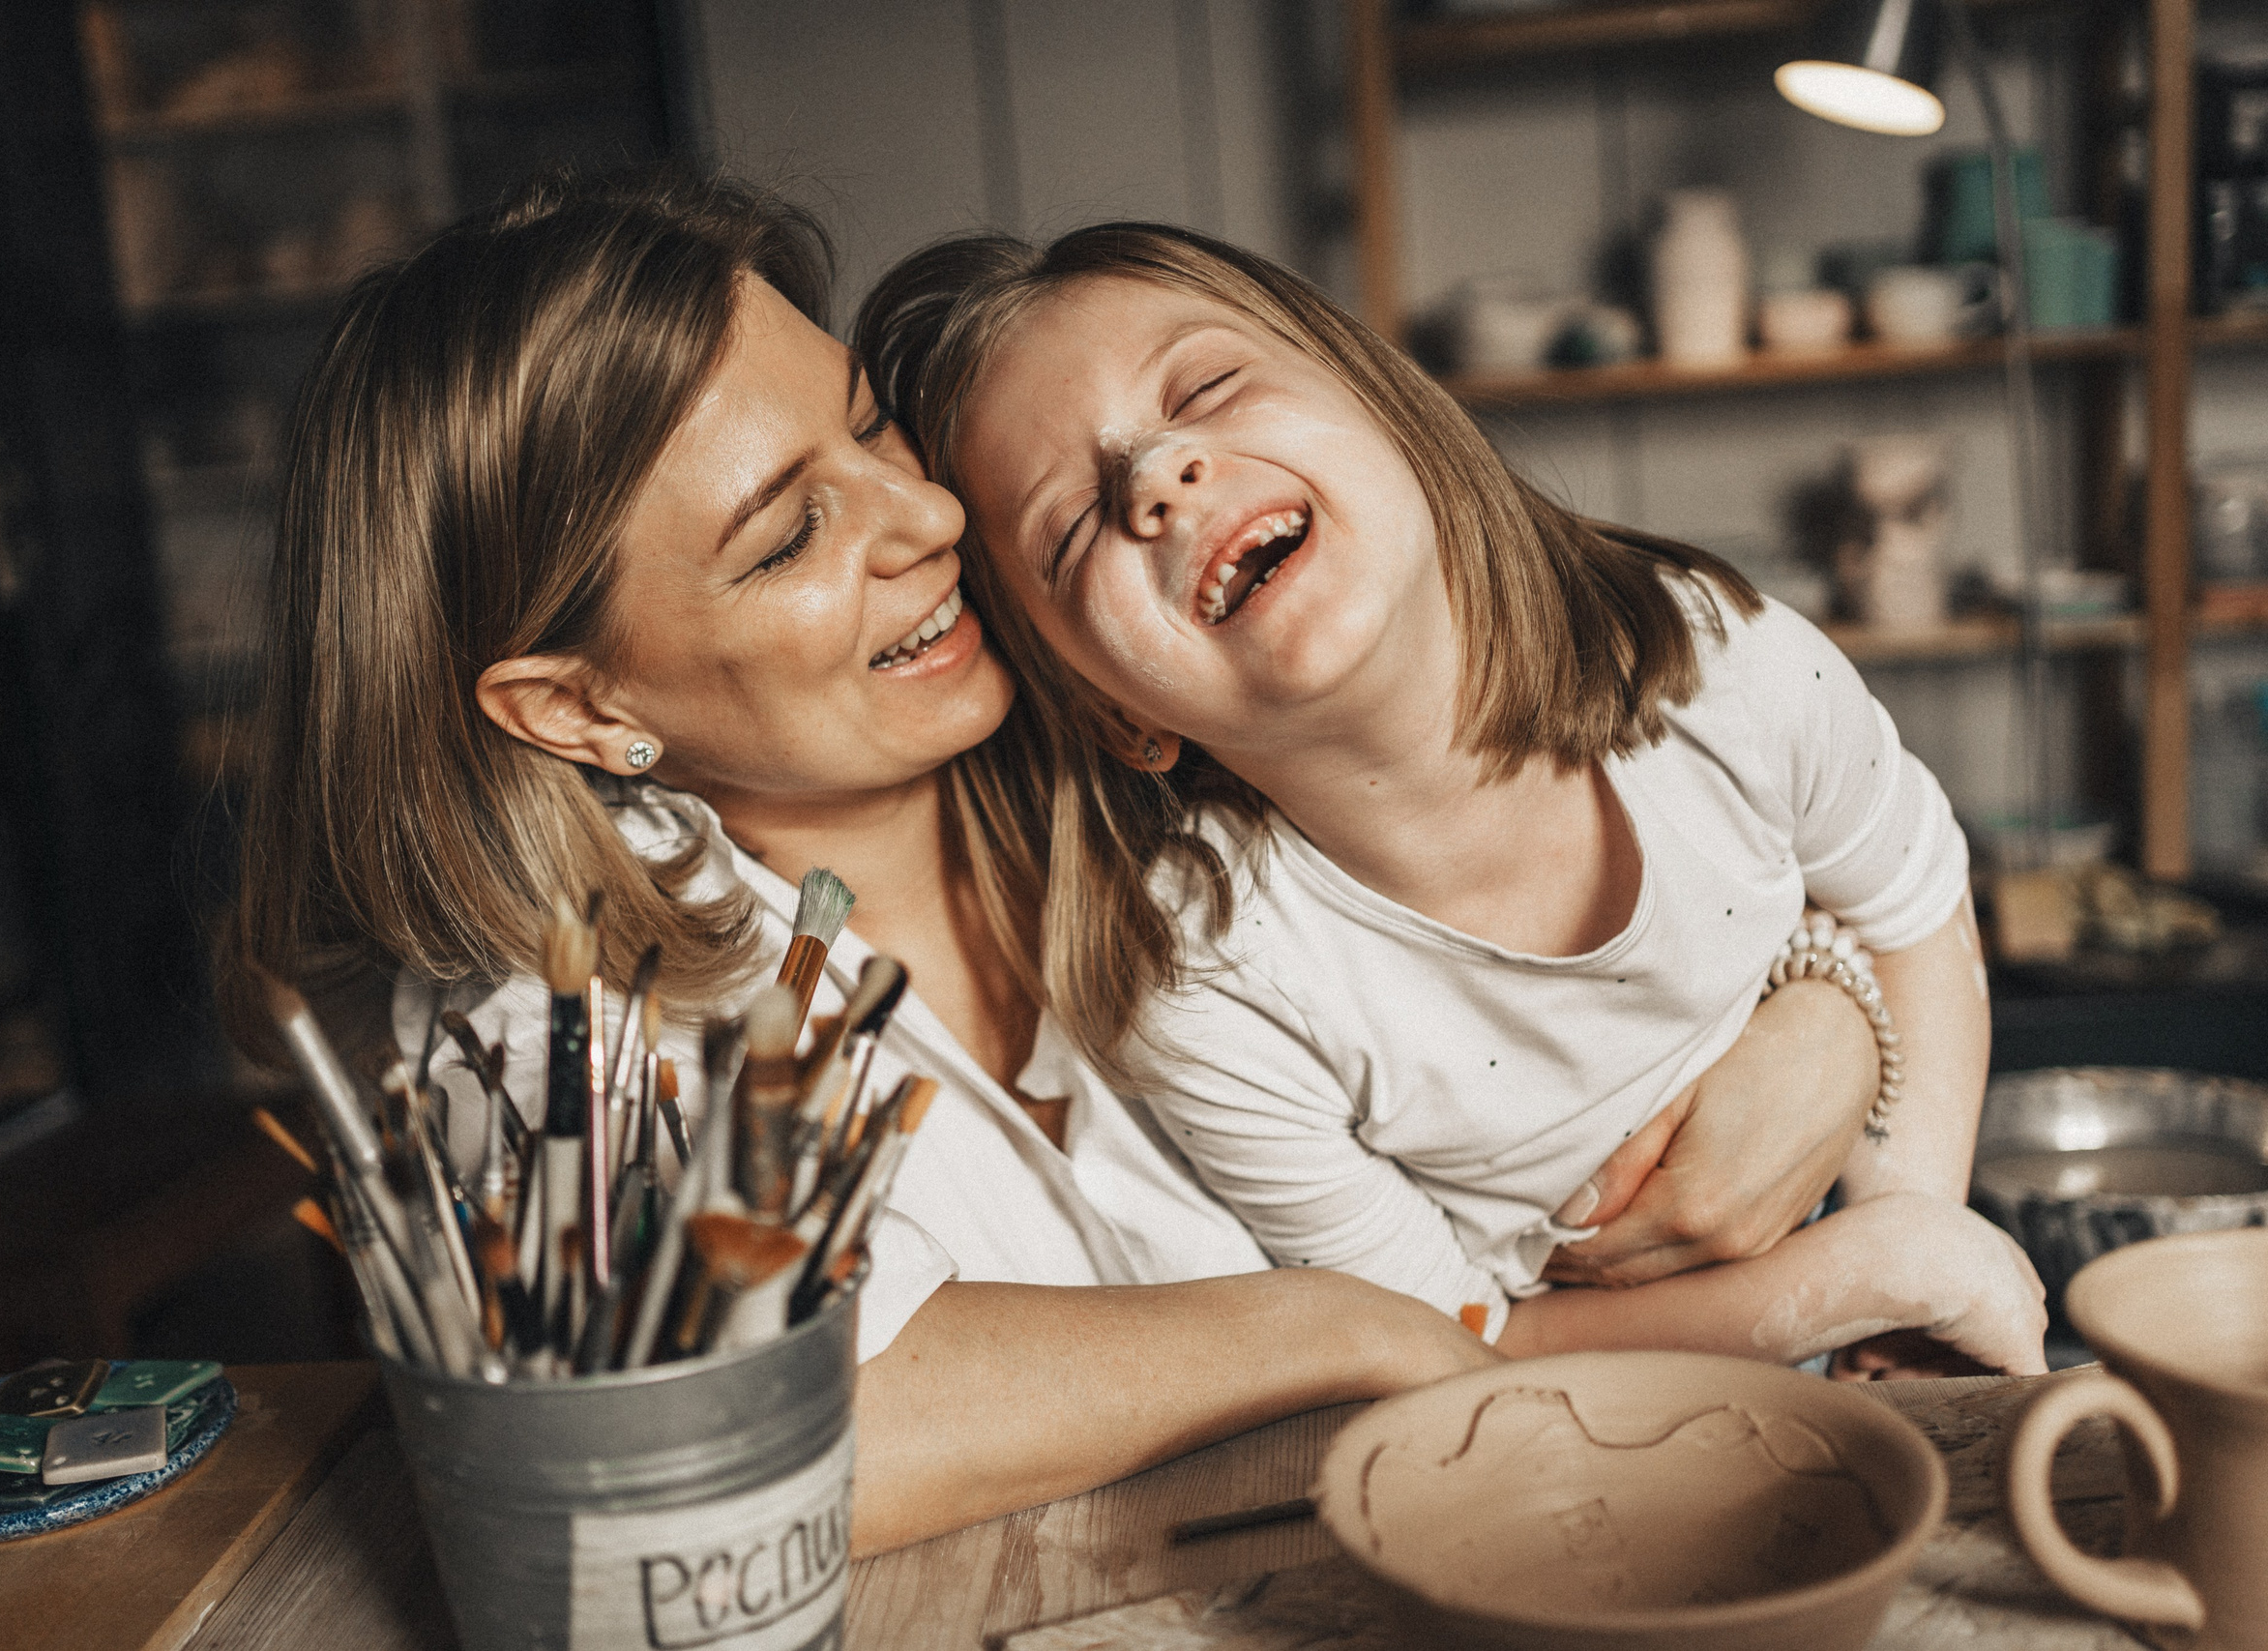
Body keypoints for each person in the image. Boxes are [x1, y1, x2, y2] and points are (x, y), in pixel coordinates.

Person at [225, 168, 1892, 1556]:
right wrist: (1342, 1330)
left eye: (876, 428)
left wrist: (1826, 998)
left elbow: (1716, 805)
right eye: (790, 532)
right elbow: (716, 1452)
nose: (919, 517)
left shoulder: (1159, 689)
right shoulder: (544, 1030)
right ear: (580, 704)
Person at [857, 221, 2046, 1378]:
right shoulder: (1202, 983)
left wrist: (1911, 1248)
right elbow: (1450, 1339)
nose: (1157, 477)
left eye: (1207, 386)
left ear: (1382, 404)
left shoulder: (1719, 663)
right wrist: (1867, 1275)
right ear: (1118, 710)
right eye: (1069, 530)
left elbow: (1912, 903)